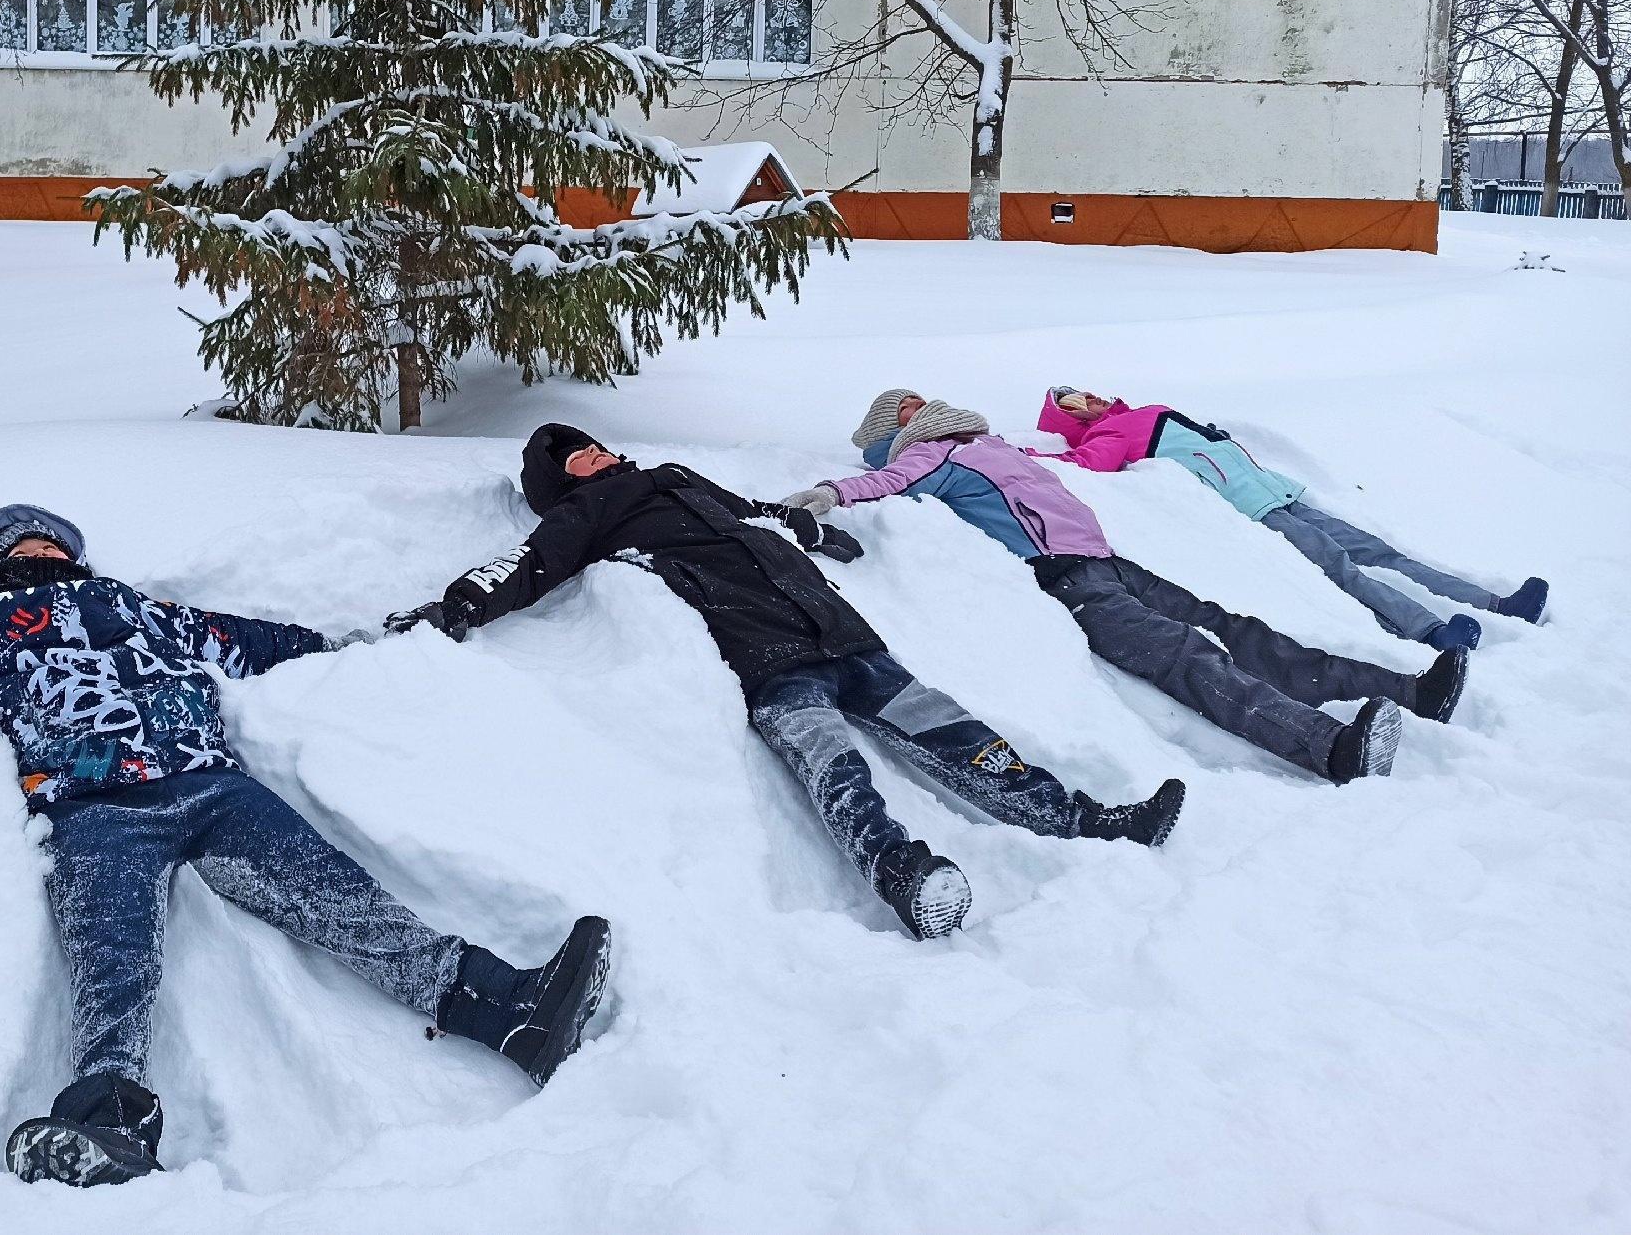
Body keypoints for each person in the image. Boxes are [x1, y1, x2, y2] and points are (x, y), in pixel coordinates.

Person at [0, 503, 612, 1189]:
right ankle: (109, 1118)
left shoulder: (129, 606)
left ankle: (508, 1012)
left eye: (50, 540)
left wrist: (352, 648)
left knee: (344, 899)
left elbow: (239, 638)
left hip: (211, 786)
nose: (38, 548)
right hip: (96, 808)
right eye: (20, 541)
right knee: (112, 961)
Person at [392, 426, 1183, 945]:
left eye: (595, 448)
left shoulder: (673, 476)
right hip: (764, 657)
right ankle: (899, 872)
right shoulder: (591, 510)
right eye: (578, 459)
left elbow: (756, 515)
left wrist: (806, 526)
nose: (597, 456)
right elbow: (529, 565)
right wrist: (458, 603)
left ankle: (1084, 820)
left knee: (958, 733)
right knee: (832, 767)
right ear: (563, 484)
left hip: (841, 634)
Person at [782, 392, 1471, 789]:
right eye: (902, 405)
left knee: (1239, 632)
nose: (920, 400)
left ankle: (1414, 693)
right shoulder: (933, 454)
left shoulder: (988, 446)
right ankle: (1332, 747)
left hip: (1108, 561)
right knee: (1188, 659)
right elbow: (886, 482)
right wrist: (829, 493)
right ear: (900, 431)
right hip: (1069, 580)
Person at [1030, 387, 1549, 649]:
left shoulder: (1139, 413)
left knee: (1382, 553)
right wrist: (1027, 458)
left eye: (1087, 391)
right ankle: (1434, 632)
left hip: (1279, 493)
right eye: (1076, 402)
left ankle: (1499, 605)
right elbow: (1083, 466)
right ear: (1070, 419)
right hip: (1251, 509)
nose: (1091, 399)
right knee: (1343, 570)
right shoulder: (1111, 434)